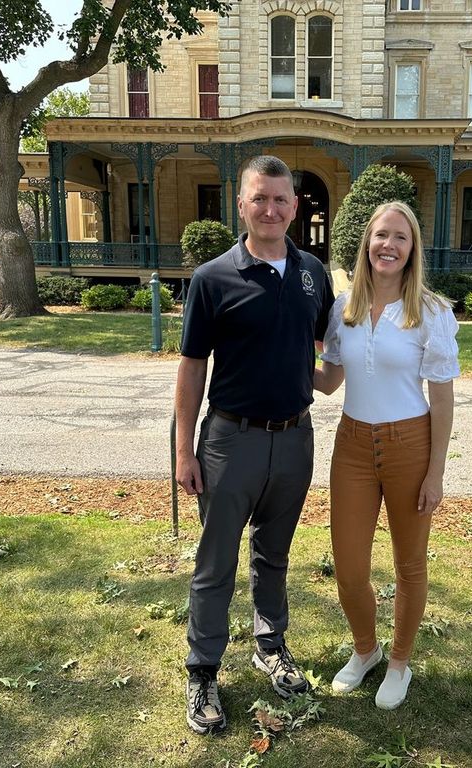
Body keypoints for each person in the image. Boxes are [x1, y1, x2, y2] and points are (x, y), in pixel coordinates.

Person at [175, 155, 335, 735]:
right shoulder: (212, 277)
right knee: (215, 563)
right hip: (230, 441)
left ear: (294, 206)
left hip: (295, 439)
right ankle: (203, 670)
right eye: (259, 198)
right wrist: (184, 451)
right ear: (241, 204)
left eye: (281, 199)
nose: (271, 209)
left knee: (274, 555)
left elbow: (328, 344)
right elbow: (192, 367)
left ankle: (270, 645)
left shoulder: (314, 273)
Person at [314, 200, 459, 710]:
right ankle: (366, 650)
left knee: (409, 564)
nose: (389, 245)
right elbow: (329, 381)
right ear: (367, 243)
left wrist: (435, 473)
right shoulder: (345, 308)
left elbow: (442, 400)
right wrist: (275, 356)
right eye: (381, 235)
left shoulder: (431, 312)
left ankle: (400, 661)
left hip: (410, 446)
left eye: (400, 237)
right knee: (349, 566)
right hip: (352, 446)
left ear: (412, 248)